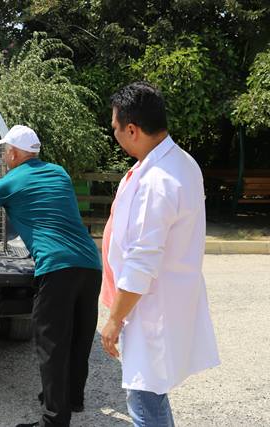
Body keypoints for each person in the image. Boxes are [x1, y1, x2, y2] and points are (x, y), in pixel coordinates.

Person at [0, 125, 102, 427]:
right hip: (90, 263)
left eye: (5, 150)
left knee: (51, 342)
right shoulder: (59, 173)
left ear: (13, 152)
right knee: (80, 337)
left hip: (56, 267)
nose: (3, 154)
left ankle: (54, 420)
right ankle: (73, 399)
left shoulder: (11, 180)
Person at [100, 82, 220, 426]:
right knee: (150, 394)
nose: (116, 135)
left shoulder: (158, 179)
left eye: (116, 129)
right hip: (157, 301)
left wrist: (114, 319)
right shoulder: (178, 162)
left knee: (144, 399)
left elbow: (142, 260)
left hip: (149, 306)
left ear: (133, 129)